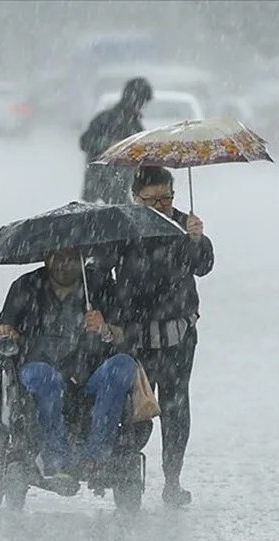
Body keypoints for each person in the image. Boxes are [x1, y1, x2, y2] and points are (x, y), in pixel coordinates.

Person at [0, 248, 138, 491]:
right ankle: (56, 458)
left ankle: (96, 456)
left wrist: (105, 329)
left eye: (71, 259)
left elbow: (128, 334)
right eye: (58, 258)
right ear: (47, 257)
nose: (64, 265)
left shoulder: (100, 286)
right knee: (43, 377)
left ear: (82, 259)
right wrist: (6, 333)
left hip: (89, 376)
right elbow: (0, 330)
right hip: (39, 371)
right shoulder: (26, 286)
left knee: (123, 366)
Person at [113, 166, 214, 507]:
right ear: (135, 198)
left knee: (176, 407)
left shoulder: (185, 227)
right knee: (136, 408)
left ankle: (172, 480)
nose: (161, 206)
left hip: (178, 337)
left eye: (166, 198)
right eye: (152, 200)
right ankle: (127, 477)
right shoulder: (122, 228)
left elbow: (203, 265)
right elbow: (100, 271)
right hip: (136, 339)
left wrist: (197, 239)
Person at [78, 77, 153, 204]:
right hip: (97, 190)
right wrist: (109, 144)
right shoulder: (105, 119)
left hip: (120, 190)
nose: (142, 107)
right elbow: (85, 142)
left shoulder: (136, 127)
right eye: (141, 102)